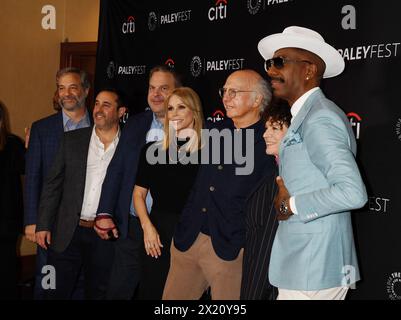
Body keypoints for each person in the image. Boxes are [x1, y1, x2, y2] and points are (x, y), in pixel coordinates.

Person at [257, 26, 367, 300]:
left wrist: (290, 205)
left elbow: (352, 192)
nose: (271, 70)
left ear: (308, 70)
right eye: (270, 63)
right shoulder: (309, 114)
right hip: (312, 264)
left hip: (314, 265)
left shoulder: (319, 118)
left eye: (280, 63)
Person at [162, 69, 276, 300]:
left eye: (234, 92)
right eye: (225, 91)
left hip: (231, 249)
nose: (226, 97)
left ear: (257, 99)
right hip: (188, 239)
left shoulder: (269, 141)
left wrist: (243, 242)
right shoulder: (214, 131)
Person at [95, 65, 182, 299]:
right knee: (117, 292)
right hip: (132, 227)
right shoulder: (135, 124)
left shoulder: (191, 128)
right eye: (152, 88)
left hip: (170, 229)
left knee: (158, 294)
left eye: (164, 88)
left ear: (178, 91)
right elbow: (117, 170)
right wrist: (104, 212)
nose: (155, 94)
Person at [35, 89, 126, 299]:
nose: (98, 110)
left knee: (98, 292)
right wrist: (43, 224)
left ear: (121, 112)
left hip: (104, 237)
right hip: (67, 232)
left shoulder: (128, 146)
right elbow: (53, 185)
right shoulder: (72, 140)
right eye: (96, 104)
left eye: (106, 105)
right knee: (53, 290)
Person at [24, 67, 92, 299]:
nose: (67, 93)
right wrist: (33, 221)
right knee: (48, 285)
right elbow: (33, 177)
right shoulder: (41, 129)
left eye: (73, 87)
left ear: (85, 90)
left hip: (86, 224)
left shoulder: (100, 128)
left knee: (82, 287)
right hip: (49, 225)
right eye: (61, 88)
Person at [133, 87, 204, 299]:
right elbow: (138, 195)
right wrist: (147, 227)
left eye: (181, 107)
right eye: (170, 108)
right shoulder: (151, 151)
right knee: (154, 291)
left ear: (195, 112)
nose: (174, 113)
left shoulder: (210, 152)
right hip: (158, 233)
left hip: (195, 232)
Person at [240, 99, 291, 300]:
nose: (265, 134)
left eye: (275, 128)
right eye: (266, 127)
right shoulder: (274, 169)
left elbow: (266, 245)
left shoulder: (284, 178)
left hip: (266, 279)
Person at [0, 101, 25, 300]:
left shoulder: (13, 144)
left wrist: (31, 148)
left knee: (6, 272)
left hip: (6, 223)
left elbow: (29, 170)